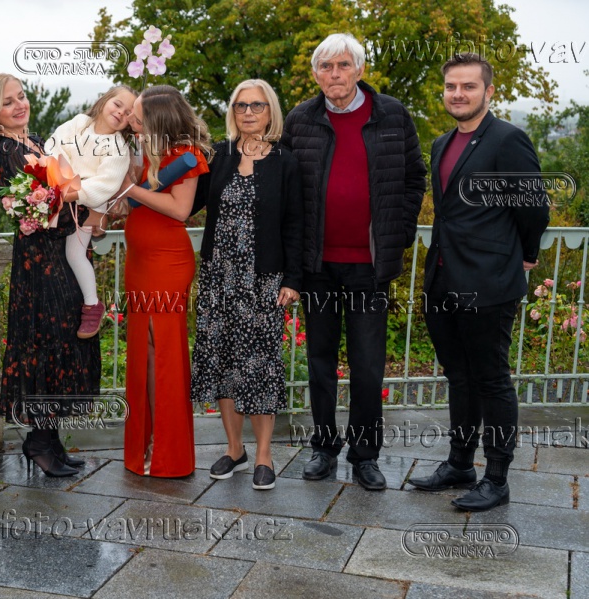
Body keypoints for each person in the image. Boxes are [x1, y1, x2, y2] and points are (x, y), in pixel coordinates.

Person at [281, 33, 426, 490]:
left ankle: (365, 455)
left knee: (367, 365)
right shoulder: (300, 119)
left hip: (369, 267)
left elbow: (414, 177)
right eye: (326, 67)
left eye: (343, 65)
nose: (335, 74)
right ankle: (324, 448)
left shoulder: (392, 114)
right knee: (320, 361)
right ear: (315, 75)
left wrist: (399, 232)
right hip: (318, 266)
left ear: (360, 70)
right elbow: (286, 187)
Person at [409, 53, 550, 511]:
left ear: (488, 91)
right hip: (443, 279)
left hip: (489, 281)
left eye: (468, 86)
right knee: (459, 377)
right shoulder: (441, 143)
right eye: (451, 86)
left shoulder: (508, 139)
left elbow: (534, 209)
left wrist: (525, 255)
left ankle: (497, 478)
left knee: (492, 380)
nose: (458, 94)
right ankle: (459, 464)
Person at [0, 73, 101, 477]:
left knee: (63, 341)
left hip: (63, 254)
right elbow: (39, 209)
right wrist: (88, 208)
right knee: (47, 343)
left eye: (21, 96)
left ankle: (51, 438)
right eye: (8, 101)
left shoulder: (37, 141)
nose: (19, 105)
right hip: (41, 262)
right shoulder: (6, 150)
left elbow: (64, 194)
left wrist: (86, 207)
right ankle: (39, 442)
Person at [191, 79, 304, 490]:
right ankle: (234, 449)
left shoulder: (286, 162)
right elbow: (187, 201)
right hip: (219, 279)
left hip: (262, 280)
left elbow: (296, 224)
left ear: (270, 111)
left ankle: (263, 455)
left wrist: (292, 279)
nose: (249, 112)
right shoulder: (218, 156)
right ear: (233, 112)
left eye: (257, 105)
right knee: (222, 361)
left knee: (260, 364)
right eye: (241, 106)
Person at [117, 85, 211, 477]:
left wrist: (131, 189)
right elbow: (129, 204)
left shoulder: (187, 155)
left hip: (167, 264)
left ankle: (170, 453)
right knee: (146, 351)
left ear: (159, 120)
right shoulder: (145, 150)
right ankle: (147, 443)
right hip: (139, 263)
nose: (131, 122)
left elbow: (179, 209)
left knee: (165, 351)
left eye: (138, 118)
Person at [45, 85, 138, 339]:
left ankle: (92, 304)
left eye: (128, 113)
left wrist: (74, 192)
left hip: (89, 201)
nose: (120, 113)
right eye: (117, 104)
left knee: (74, 254)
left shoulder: (118, 147)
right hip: (61, 186)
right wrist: (62, 180)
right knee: (50, 247)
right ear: (105, 100)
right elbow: (55, 145)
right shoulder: (79, 124)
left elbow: (106, 183)